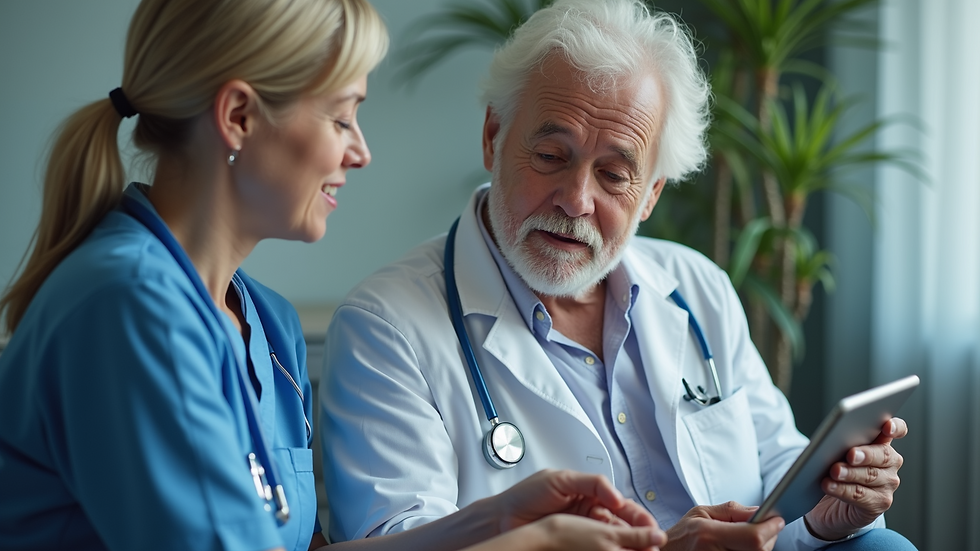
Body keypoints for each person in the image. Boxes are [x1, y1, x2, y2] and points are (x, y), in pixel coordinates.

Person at [0, 1, 667, 550]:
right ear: (238, 117)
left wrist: (501, 518)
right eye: (343, 115)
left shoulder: (267, 324)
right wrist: (531, 545)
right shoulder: (129, 308)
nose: (361, 151)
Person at [319, 1, 917, 550]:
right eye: (552, 156)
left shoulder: (697, 285)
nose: (576, 199)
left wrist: (823, 514)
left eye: (614, 175)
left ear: (652, 194)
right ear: (494, 137)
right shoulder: (387, 326)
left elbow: (776, 465)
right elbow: (399, 537)